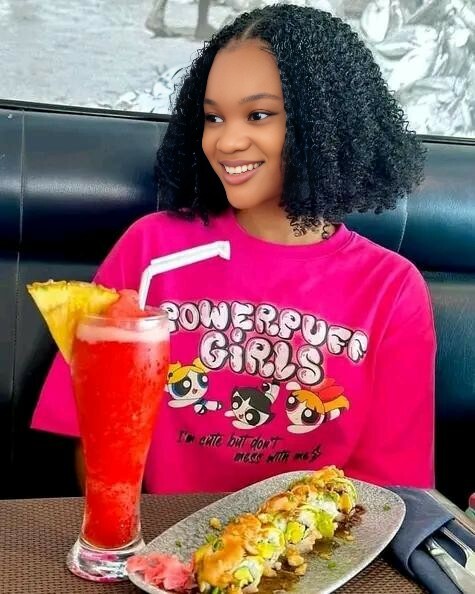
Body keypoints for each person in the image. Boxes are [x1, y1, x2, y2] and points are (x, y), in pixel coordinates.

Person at [32, 4, 436, 494]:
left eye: (258, 115)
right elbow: (92, 426)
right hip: (159, 533)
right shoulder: (152, 248)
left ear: (326, 125)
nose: (226, 141)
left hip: (312, 538)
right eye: (214, 117)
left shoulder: (392, 288)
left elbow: (390, 487)